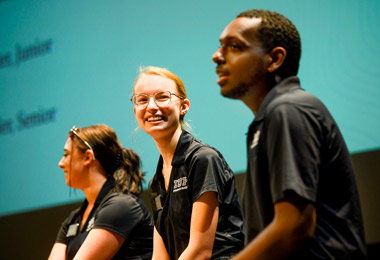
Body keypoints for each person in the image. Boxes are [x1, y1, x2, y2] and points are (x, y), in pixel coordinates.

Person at [212, 9, 367, 259]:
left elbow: (294, 226)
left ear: (274, 59)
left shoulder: (287, 109)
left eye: (235, 46)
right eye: (220, 46)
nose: (217, 56)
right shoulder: (270, 117)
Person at [131, 66, 245, 259]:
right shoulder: (156, 182)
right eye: (142, 100)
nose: (151, 106)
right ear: (136, 111)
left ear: (183, 106)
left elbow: (200, 252)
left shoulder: (203, 159)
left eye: (162, 97)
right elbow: (160, 256)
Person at [48, 124, 153, 260]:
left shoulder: (121, 205)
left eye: (66, 155)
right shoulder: (73, 219)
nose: (61, 163)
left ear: (87, 157)